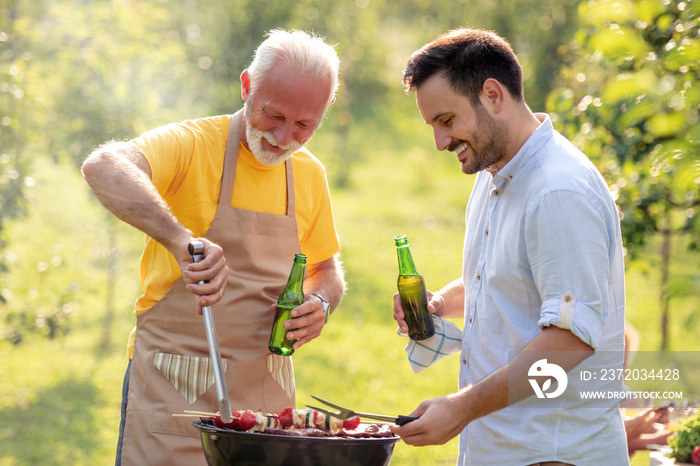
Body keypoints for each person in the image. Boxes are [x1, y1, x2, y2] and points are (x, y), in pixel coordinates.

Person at [81, 29, 346, 465]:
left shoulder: (310, 175)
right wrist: (180, 239)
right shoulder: (193, 144)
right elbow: (103, 165)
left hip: (266, 401)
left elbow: (326, 268)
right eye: (273, 115)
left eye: (304, 125)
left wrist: (321, 301)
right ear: (247, 86)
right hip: (173, 394)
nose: (284, 137)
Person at [390, 28, 628, 465]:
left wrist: (461, 407)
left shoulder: (558, 191)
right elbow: (499, 278)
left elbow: (570, 341)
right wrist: (439, 303)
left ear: (493, 96)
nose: (440, 142)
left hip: (553, 454)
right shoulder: (495, 171)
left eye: (447, 121)